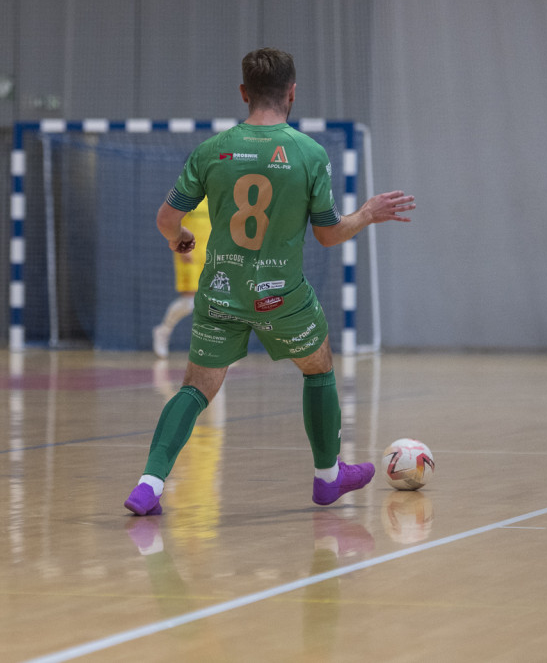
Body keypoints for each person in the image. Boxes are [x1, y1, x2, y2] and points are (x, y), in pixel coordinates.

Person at [124, 47, 415, 515]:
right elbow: (327, 235)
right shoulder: (308, 153)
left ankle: (149, 485)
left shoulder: (212, 150)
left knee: (195, 388)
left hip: (220, 290)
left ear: (244, 93)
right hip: (279, 294)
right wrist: (366, 214)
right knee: (318, 367)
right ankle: (327, 478)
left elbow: (165, 218)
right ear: (292, 93)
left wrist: (178, 238)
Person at [152, 197, 211, 359]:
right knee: (190, 302)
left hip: (211, 254)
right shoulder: (186, 192)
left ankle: (217, 348)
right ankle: (163, 331)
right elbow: (169, 220)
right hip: (188, 252)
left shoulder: (216, 192)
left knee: (215, 302)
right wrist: (178, 240)